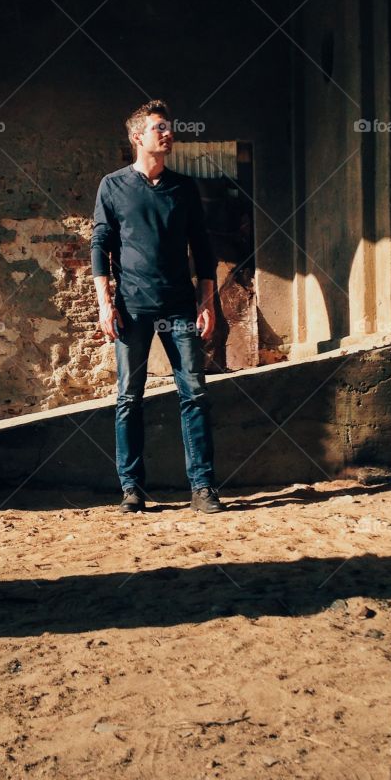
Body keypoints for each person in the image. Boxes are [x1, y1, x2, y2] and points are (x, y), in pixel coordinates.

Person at [91, 99, 225, 514]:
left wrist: (208, 303)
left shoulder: (183, 188)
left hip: (181, 307)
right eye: (159, 128)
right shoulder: (112, 186)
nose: (168, 133)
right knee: (129, 398)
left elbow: (202, 251)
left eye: (169, 127)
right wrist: (105, 304)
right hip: (132, 308)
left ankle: (202, 488)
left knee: (195, 394)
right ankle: (132, 489)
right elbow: (100, 246)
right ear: (138, 137)